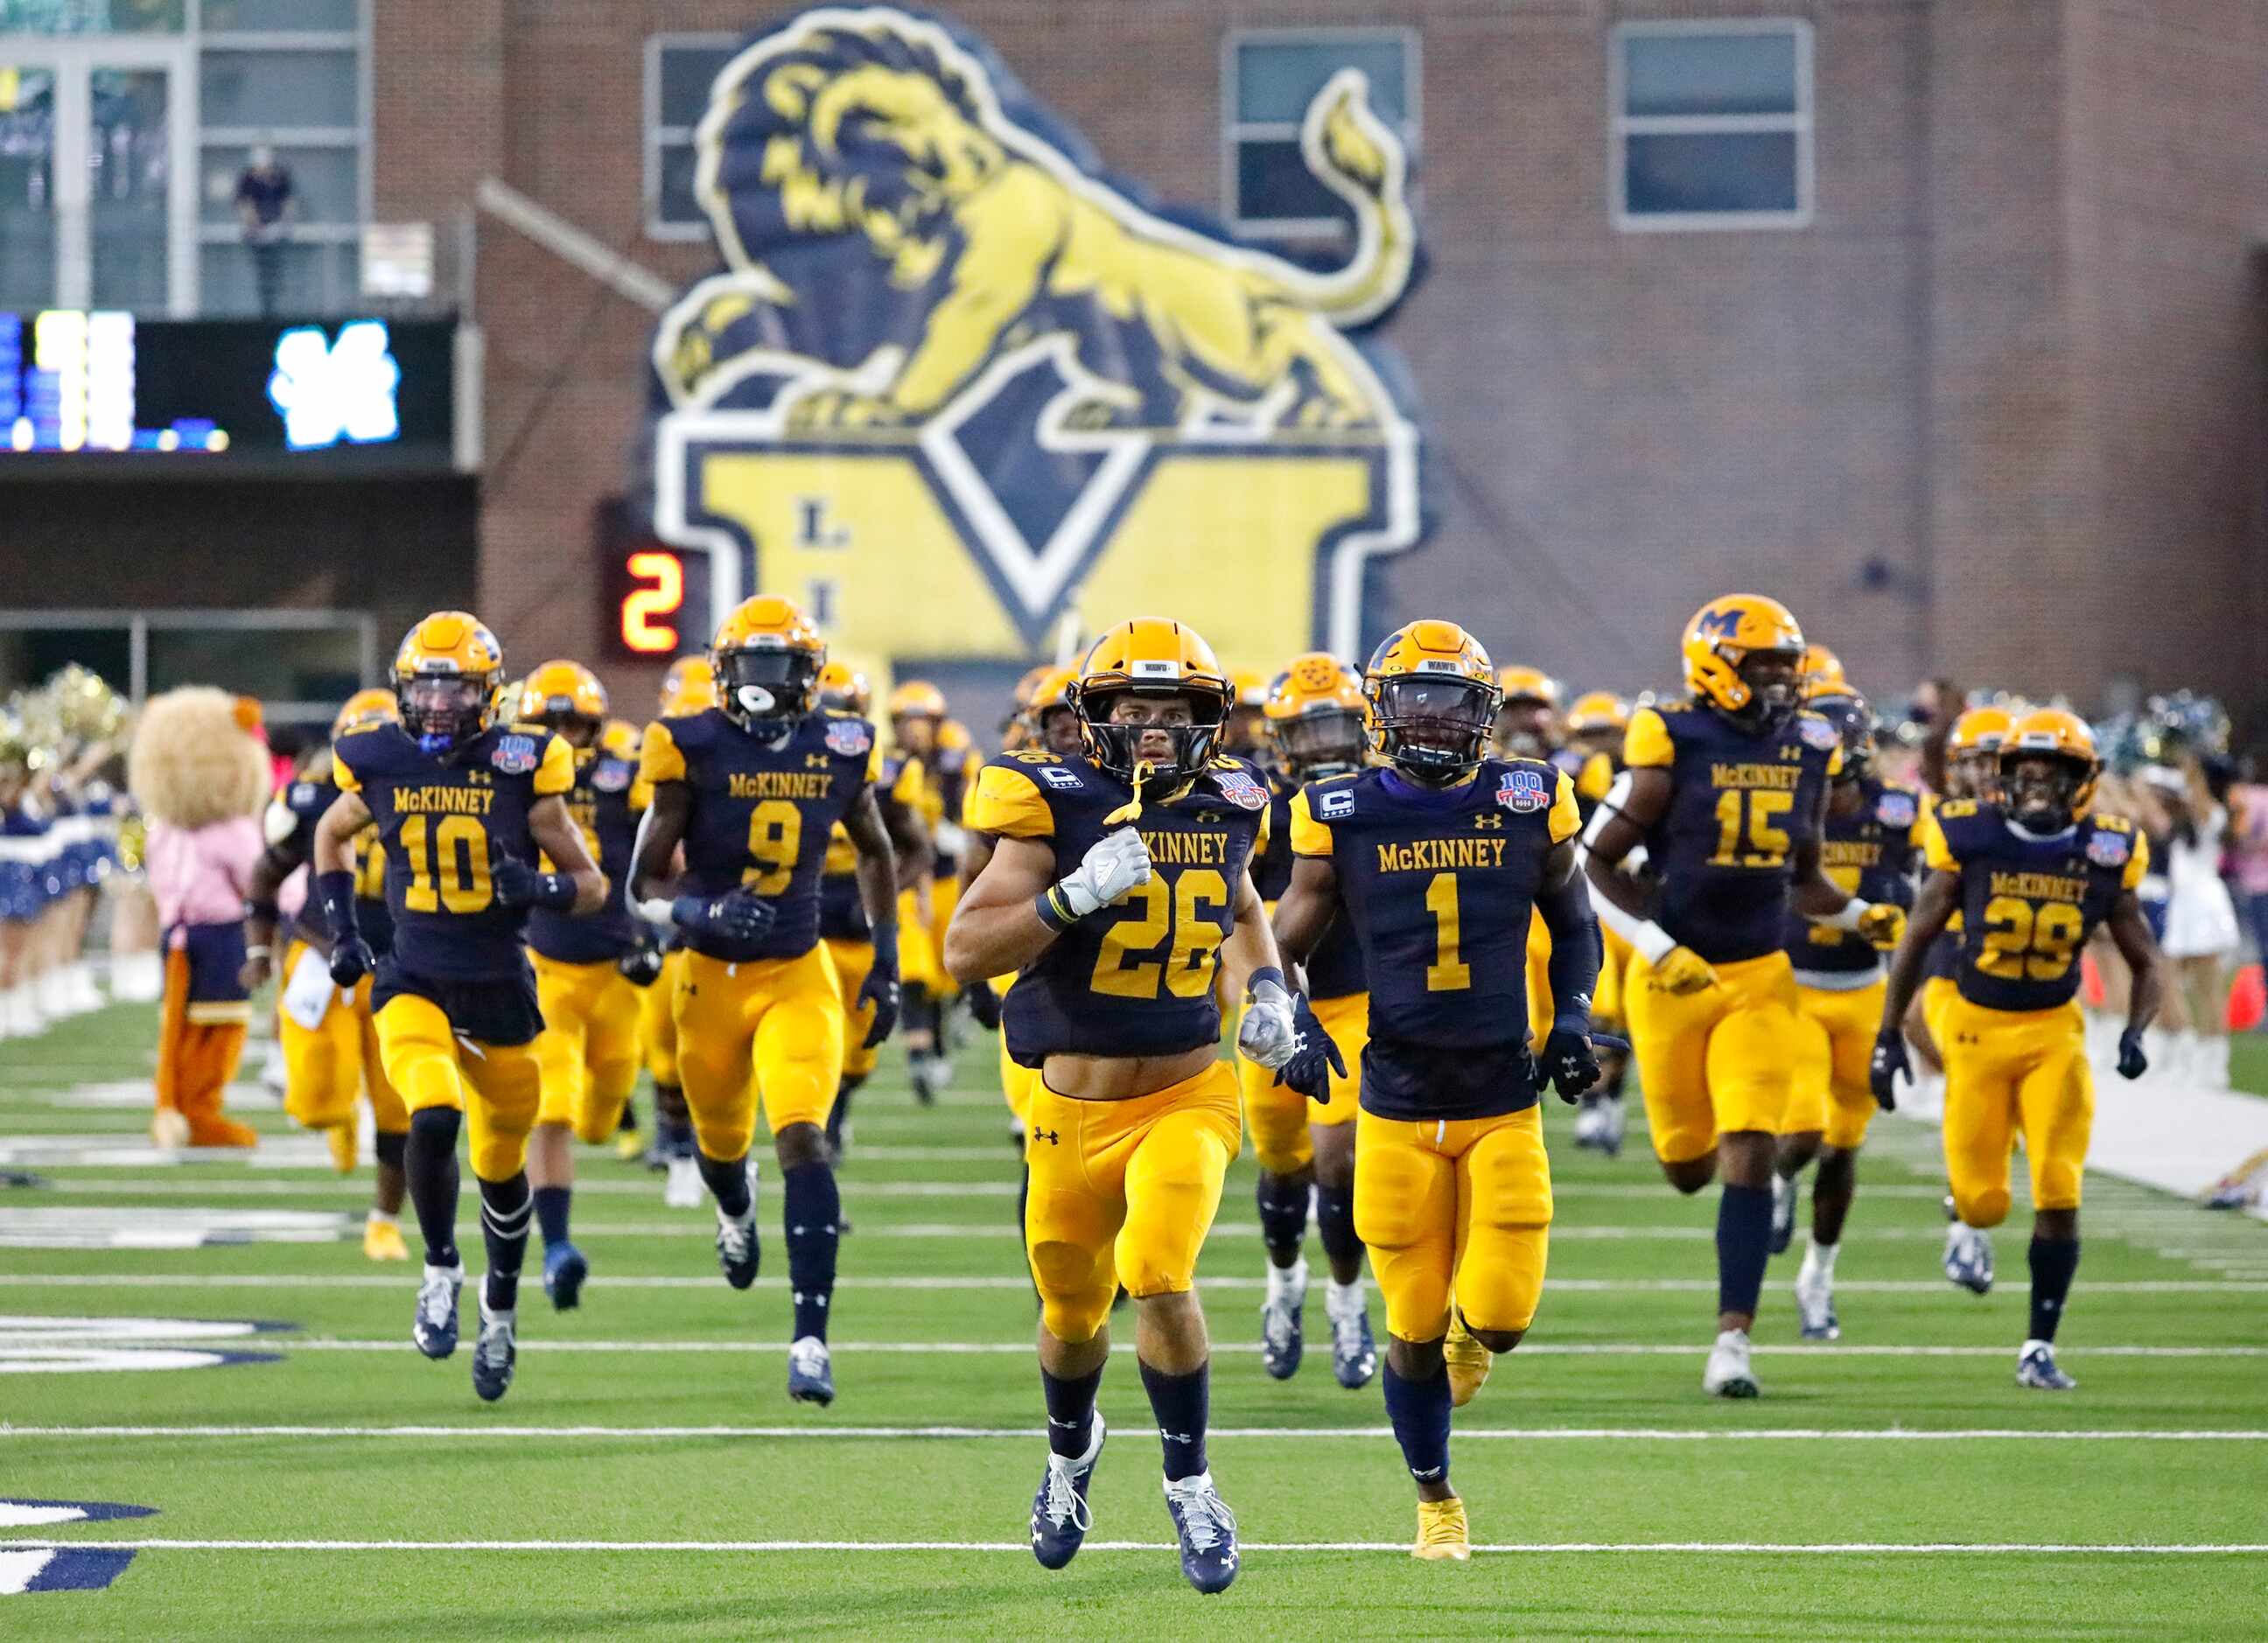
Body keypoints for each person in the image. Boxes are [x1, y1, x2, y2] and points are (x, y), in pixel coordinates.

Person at [946, 617, 1331, 1594]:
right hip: (1068, 1107)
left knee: (1158, 1272)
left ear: (1211, 720)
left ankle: (1192, 1483)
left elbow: (1243, 905)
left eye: (1174, 711)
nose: (1155, 728)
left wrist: (1272, 993)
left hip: (1187, 1090)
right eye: (1135, 711)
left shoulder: (1236, 799)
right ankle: (1069, 1459)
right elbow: (963, 952)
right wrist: (1067, 901)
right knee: (1073, 1315)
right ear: (1097, 719)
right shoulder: (1049, 801)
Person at [1273, 620, 1601, 1561]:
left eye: (1450, 702)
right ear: (1380, 710)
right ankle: (1436, 1502)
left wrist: (1571, 1018)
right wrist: (1289, 1025)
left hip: (1503, 1095)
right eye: (1413, 699)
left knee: (1497, 1319)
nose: (1430, 720)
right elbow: (1281, 948)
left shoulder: (1530, 796)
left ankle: (1473, 1341)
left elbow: (1575, 926)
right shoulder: (1339, 810)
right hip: (1397, 1105)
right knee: (1412, 1328)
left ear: (1483, 715)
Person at [1582, 595, 1902, 1397]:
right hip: (1673, 981)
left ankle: (1733, 1342)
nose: (1780, 684)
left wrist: (1863, 914)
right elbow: (1590, 863)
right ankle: (1731, 1294)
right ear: (1716, 668)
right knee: (1688, 1167)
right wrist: (1659, 946)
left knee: (1751, 1147)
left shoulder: (1805, 747)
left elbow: (1805, 879)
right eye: (1762, 667)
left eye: (1785, 668)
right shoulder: (1671, 741)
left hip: (1763, 978)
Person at [315, 612, 607, 1402]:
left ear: (490, 693)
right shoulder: (375, 756)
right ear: (404, 690)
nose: (440, 704)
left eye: (457, 688)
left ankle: (501, 1311)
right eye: (426, 687)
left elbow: (591, 884)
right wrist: (343, 929)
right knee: (433, 1113)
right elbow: (330, 836)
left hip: (501, 992)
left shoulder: (523, 762)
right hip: (414, 976)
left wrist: (542, 887)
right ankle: (439, 1267)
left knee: (502, 1173)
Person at [631, 596, 901, 1406]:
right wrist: (699, 910)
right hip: (707, 978)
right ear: (721, 673)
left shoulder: (842, 746)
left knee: (805, 1141)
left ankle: (811, 1339)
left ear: (809, 678)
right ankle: (735, 1209)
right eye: (748, 667)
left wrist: (885, 966)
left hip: (797, 972)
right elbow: (639, 885)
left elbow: (880, 855)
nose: (761, 684)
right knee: (721, 1153)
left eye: (778, 668)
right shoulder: (689, 745)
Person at [1872, 710, 2164, 1389]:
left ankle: (2039, 1345)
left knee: (2059, 1188)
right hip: (1975, 1030)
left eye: (2051, 778)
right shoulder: (1969, 837)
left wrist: (2135, 1030)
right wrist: (1887, 1034)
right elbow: (1917, 937)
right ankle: (1965, 1222)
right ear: (2006, 779)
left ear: (2081, 784)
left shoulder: (2108, 848)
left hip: (2053, 1034)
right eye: (2025, 777)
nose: (2036, 791)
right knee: (1982, 1204)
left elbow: (2145, 958)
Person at [1766, 689, 1925, 1339]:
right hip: (1793, 985)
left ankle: (1818, 1277)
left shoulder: (1898, 813)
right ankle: (1779, 1184)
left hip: (1862, 988)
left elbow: (1925, 890)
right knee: (1803, 1131)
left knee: (1842, 1147)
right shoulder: (1779, 806)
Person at [1242, 653, 1377, 1389]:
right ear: (1282, 741)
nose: (1326, 745)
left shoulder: (1381, 798)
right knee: (1283, 1164)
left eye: (1337, 727)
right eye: (1309, 731)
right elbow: (1231, 906)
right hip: (1275, 1001)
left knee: (1341, 1162)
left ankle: (1347, 1300)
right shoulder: (1254, 806)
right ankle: (1284, 1284)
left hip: (1355, 1003)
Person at [244, 688, 413, 1259]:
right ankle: (339, 1118)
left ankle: (384, 1221)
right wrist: (259, 950)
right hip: (322, 956)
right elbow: (264, 876)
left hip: (400, 967)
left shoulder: (427, 795)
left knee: (401, 1109)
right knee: (317, 1102)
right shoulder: (313, 799)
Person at [517, 662, 649, 1310]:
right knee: (553, 1112)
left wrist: (661, 926)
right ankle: (557, 1247)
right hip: (547, 968)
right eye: (551, 725)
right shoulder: (509, 780)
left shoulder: (624, 777)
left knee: (602, 1116)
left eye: (574, 725)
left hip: (617, 969)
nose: (563, 738)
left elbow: (667, 859)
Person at [128, 689, 276, 1150]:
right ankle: (189, 1109)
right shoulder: (208, 830)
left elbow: (255, 882)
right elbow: (259, 881)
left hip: (195, 934)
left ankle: (184, 1107)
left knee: (198, 1026)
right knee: (201, 1028)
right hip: (203, 936)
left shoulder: (176, 831)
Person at [815, 661, 931, 1160]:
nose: (832, 724)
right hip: (807, 924)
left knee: (859, 1053)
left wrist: (881, 896)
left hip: (859, 928)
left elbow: (917, 850)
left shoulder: (886, 772)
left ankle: (838, 1105)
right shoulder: (781, 764)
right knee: (815, 1037)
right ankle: (824, 1126)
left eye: (842, 712)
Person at [638, 657, 717, 1206]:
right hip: (672, 935)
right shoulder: (654, 786)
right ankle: (676, 1144)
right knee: (666, 1055)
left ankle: (705, 1149)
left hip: (730, 943)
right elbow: (637, 875)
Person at [1562, 690, 1634, 1155]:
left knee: (1625, 1021)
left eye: (1606, 734)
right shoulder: (1570, 775)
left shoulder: (1643, 777)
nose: (1598, 745)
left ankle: (1609, 1104)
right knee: (1600, 1013)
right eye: (1589, 736)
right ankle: (1595, 1108)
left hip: (1638, 911)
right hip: (1592, 906)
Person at [2153, 753, 2242, 1087]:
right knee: (2167, 979)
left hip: (2204, 903)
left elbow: (2200, 801)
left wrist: (2193, 765)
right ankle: (2188, 1051)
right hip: (2182, 902)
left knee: (2209, 989)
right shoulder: (2186, 810)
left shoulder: (2216, 812)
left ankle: (2215, 1063)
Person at [234, 143, 296, 317]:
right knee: (261, 273)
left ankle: (275, 308)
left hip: (277, 233)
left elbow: (288, 202)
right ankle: (264, 309)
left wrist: (282, 225)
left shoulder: (280, 176)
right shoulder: (247, 178)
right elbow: (244, 204)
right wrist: (255, 226)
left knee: (276, 272)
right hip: (256, 235)